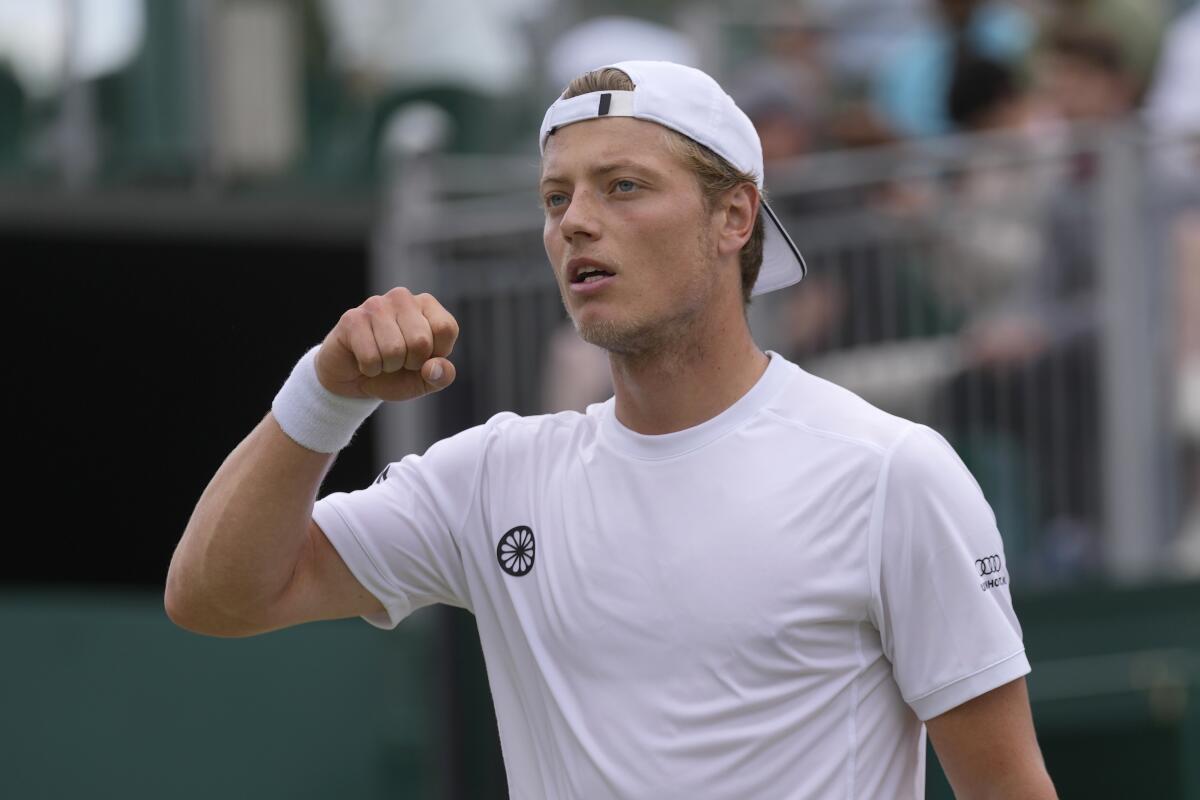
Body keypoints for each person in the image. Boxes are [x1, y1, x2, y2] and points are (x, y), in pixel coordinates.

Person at [166, 61, 1057, 799]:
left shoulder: (891, 472)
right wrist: (325, 395)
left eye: (623, 186)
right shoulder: (493, 477)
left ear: (733, 217)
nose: (576, 221)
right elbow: (218, 595)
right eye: (557, 199)